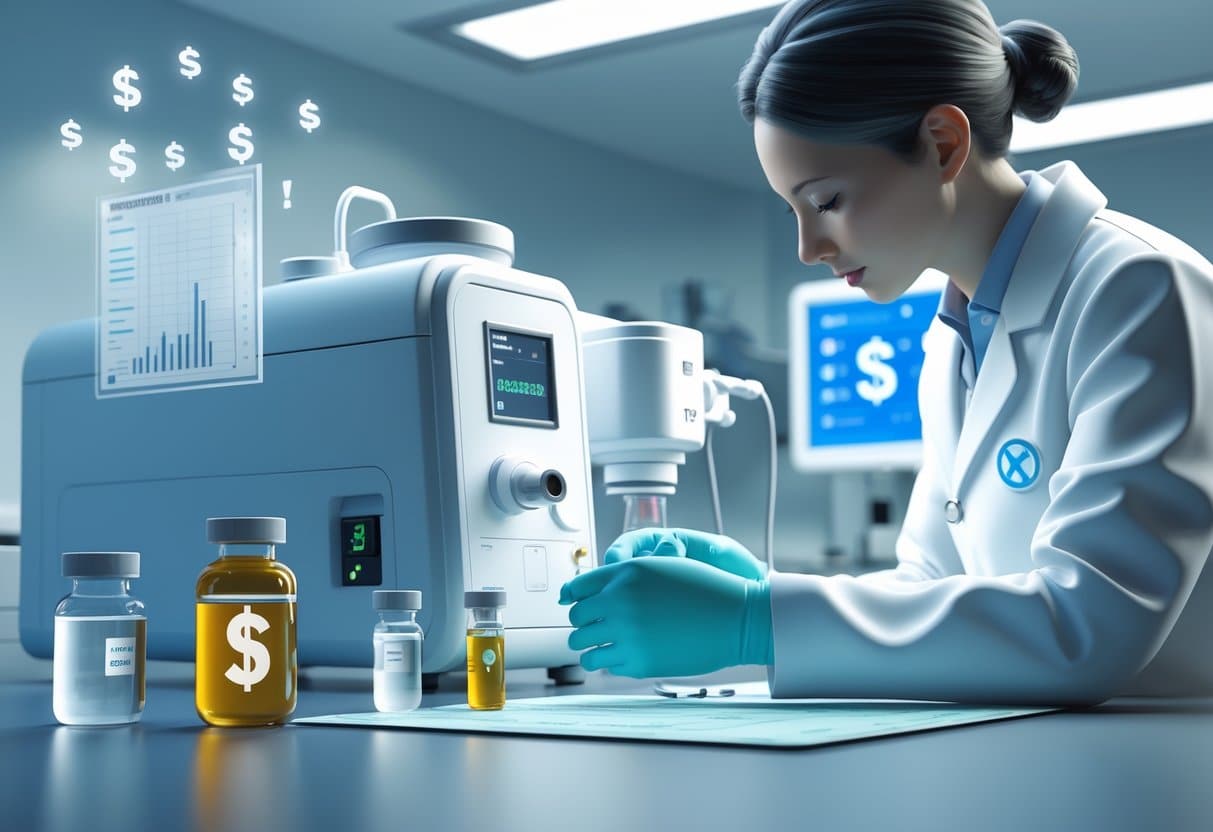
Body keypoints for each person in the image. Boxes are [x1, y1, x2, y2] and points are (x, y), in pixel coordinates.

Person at [559, 0, 1213, 705]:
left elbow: (1087, 627)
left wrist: (760, 623)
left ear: (941, 143)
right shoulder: (954, 339)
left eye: (827, 199)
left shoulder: (1139, 288)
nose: (809, 248)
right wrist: (757, 590)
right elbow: (930, 590)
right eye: (794, 211)